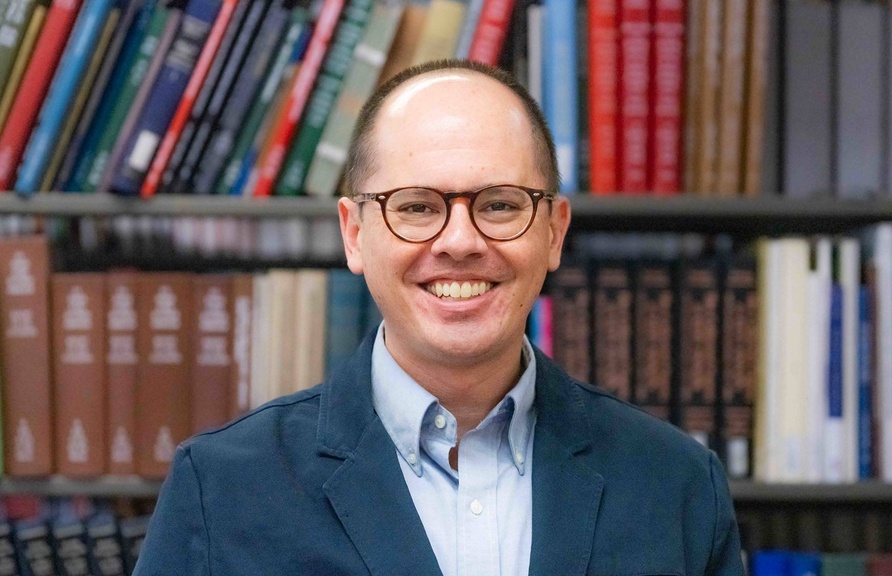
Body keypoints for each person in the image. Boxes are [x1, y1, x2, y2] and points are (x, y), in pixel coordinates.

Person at [134, 59, 743, 576]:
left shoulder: (678, 486)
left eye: (501, 204)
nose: (459, 241)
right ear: (354, 234)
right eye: (418, 207)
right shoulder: (221, 491)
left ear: (554, 233)